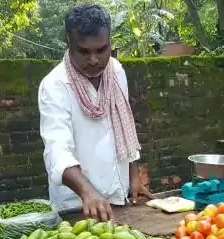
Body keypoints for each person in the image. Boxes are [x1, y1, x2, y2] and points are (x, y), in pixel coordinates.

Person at [39, 4, 153, 221]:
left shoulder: (116, 71)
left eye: (101, 50)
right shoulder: (55, 85)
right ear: (68, 43)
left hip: (119, 197)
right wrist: (87, 192)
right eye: (83, 51)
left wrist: (133, 176)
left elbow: (124, 125)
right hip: (78, 205)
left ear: (110, 43)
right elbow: (57, 150)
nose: (93, 60)